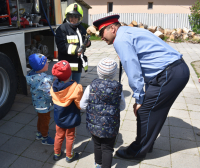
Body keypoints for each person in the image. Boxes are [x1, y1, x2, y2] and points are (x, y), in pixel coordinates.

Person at [93, 15, 190, 159]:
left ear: (112, 28)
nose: (101, 37)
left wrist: (139, 98)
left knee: (144, 111)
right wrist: (142, 96)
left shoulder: (120, 39)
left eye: (102, 33)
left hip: (169, 74)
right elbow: (146, 62)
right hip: (174, 71)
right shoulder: (129, 32)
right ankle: (147, 145)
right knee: (154, 110)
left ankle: (137, 151)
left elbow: (133, 69)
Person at [80, 58, 126, 168]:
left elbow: (82, 105)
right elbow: (123, 106)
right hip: (111, 125)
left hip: (94, 124)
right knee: (108, 148)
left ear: (98, 71)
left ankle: (98, 163)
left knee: (97, 144)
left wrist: (91, 109)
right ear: (114, 73)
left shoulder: (91, 86)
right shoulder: (118, 88)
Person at [50, 60, 83, 163]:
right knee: (70, 137)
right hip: (71, 117)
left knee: (58, 135)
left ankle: (56, 153)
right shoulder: (76, 87)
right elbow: (79, 104)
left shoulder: (54, 87)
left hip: (59, 117)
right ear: (69, 73)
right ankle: (69, 156)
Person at [55, 3, 91, 83]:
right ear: (67, 16)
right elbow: (61, 45)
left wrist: (88, 43)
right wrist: (76, 50)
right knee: (66, 87)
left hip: (77, 64)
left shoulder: (82, 29)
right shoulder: (62, 29)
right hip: (66, 65)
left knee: (75, 85)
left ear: (79, 18)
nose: (73, 19)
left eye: (76, 17)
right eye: (71, 16)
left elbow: (83, 40)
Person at [26, 53, 54, 145]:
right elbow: (49, 94)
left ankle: (39, 133)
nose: (48, 64)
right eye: (46, 63)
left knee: (41, 119)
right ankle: (45, 138)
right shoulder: (44, 80)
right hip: (44, 105)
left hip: (37, 104)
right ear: (40, 66)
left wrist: (51, 78)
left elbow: (43, 78)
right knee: (45, 121)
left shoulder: (32, 75)